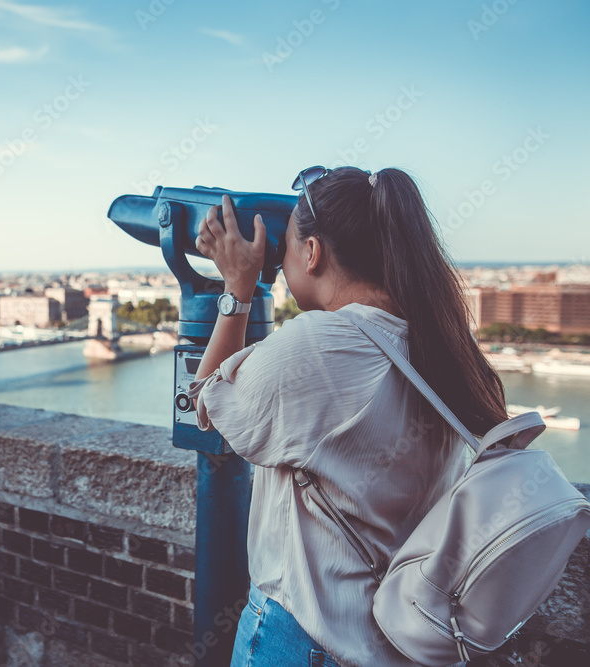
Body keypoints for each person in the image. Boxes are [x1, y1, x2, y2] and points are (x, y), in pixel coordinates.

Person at [187, 166, 507, 667]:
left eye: (288, 249)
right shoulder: (441, 345)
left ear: (312, 254)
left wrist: (237, 287)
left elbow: (203, 401)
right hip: (400, 641)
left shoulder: (317, 345)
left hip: (303, 639)